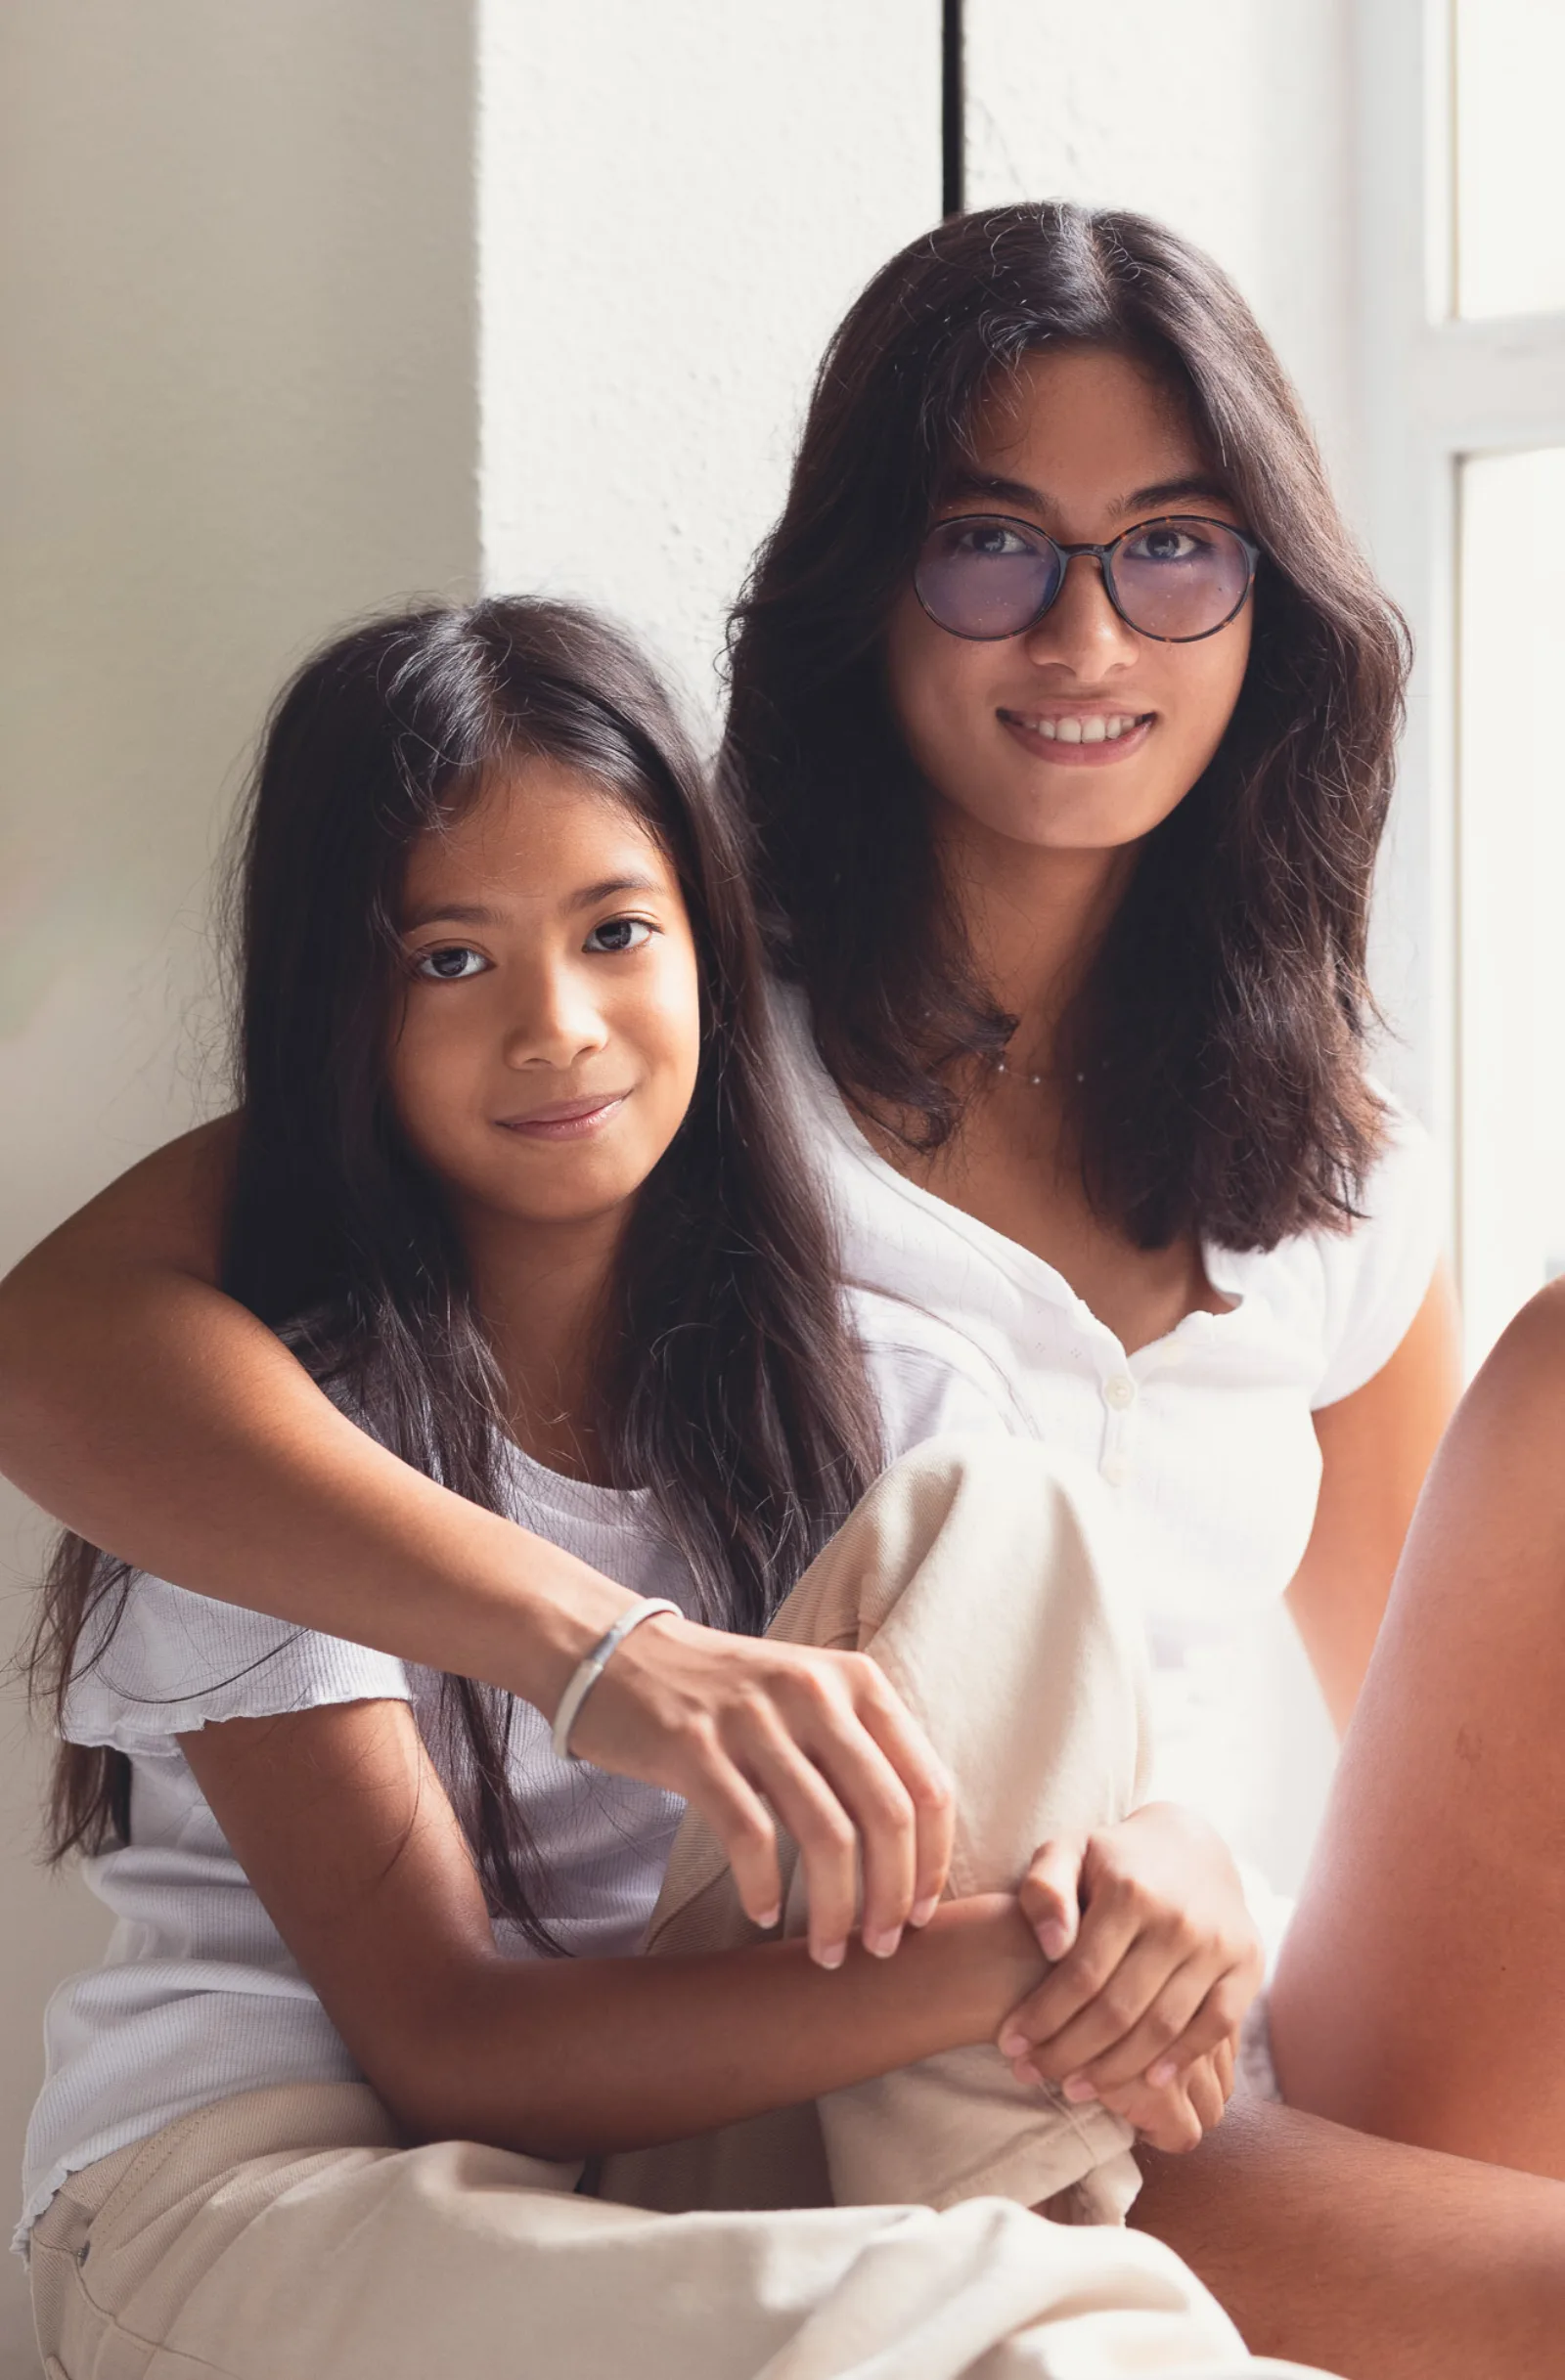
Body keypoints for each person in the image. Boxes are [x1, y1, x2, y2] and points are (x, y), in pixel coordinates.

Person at [0, 202, 1562, 2369]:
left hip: (1132, 1999)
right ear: (869, 589)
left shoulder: (1322, 1158)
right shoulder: (659, 1053)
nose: (1084, 633)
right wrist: (612, 1656)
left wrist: (1180, 1867)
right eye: (991, 546)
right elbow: (91, 1342)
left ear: (1265, 600)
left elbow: (1437, 1761)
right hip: (845, 2034)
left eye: (1175, 549)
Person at [18, 597, 1302, 2380]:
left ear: (707, 945)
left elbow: (1122, 1816)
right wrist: (1024, 1961)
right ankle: (1023, 2295)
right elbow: (447, 2044)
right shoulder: (277, 1446)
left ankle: (992, 2266)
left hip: (660, 2181)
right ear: (341, 1003)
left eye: (616, 930)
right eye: (447, 960)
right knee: (1007, 2338)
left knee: (1014, 1510)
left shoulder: (900, 1380)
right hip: (276, 2200)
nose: (554, 1025)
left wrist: (1175, 1880)